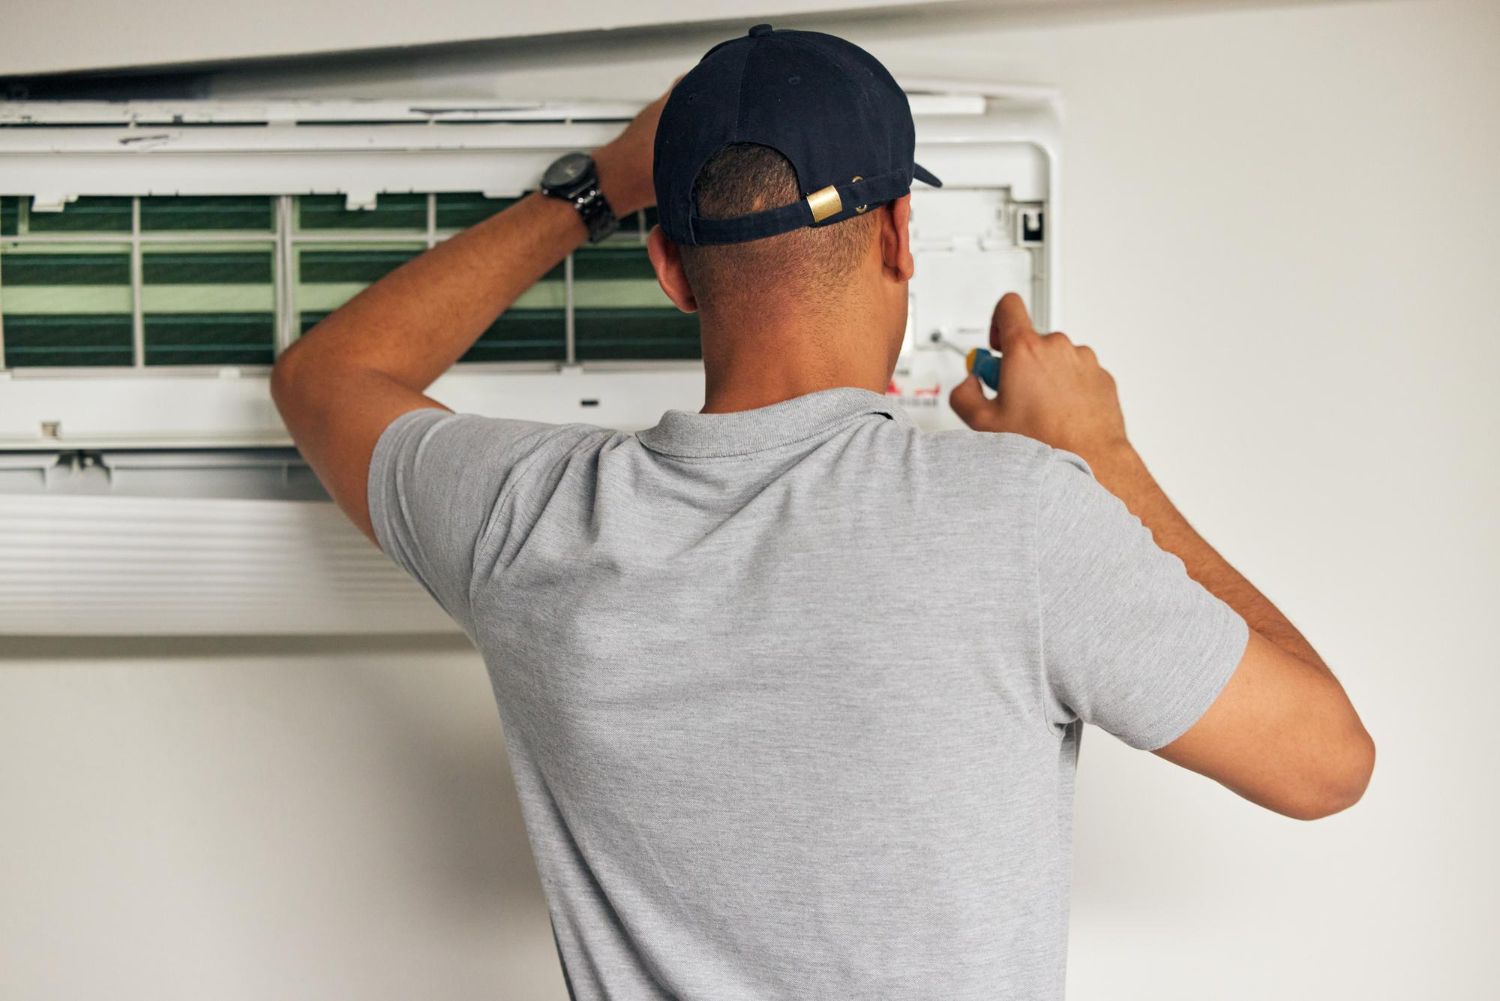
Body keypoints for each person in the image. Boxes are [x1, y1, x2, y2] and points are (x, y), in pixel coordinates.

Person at [271, 23, 1374, 1001]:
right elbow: (1328, 761)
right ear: (899, 235)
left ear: (669, 266)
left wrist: (600, 184)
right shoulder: (1023, 521)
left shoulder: (532, 518)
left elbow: (325, 376)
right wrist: (1104, 455)